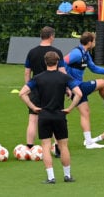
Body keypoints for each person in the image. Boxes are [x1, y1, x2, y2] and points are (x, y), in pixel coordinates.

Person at [19, 50, 82, 184]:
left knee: (46, 146)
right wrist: (70, 108)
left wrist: (33, 107)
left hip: (44, 116)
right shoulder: (64, 77)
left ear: (45, 62)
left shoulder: (38, 78)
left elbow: (22, 93)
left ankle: (51, 177)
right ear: (58, 62)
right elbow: (79, 93)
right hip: (60, 115)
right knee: (63, 146)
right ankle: (67, 175)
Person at [64, 31, 104, 148]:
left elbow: (94, 68)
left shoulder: (86, 54)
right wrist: (67, 85)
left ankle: (89, 142)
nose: (95, 43)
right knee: (103, 83)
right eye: (94, 41)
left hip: (77, 87)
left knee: (85, 113)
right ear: (90, 42)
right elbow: (61, 62)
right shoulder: (77, 53)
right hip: (75, 86)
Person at [25, 26, 67, 151]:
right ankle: (58, 147)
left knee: (33, 119)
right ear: (51, 36)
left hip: (36, 89)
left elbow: (27, 73)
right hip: (54, 91)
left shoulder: (32, 52)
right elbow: (62, 72)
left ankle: (29, 147)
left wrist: (29, 88)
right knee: (55, 118)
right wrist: (66, 88)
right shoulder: (57, 52)